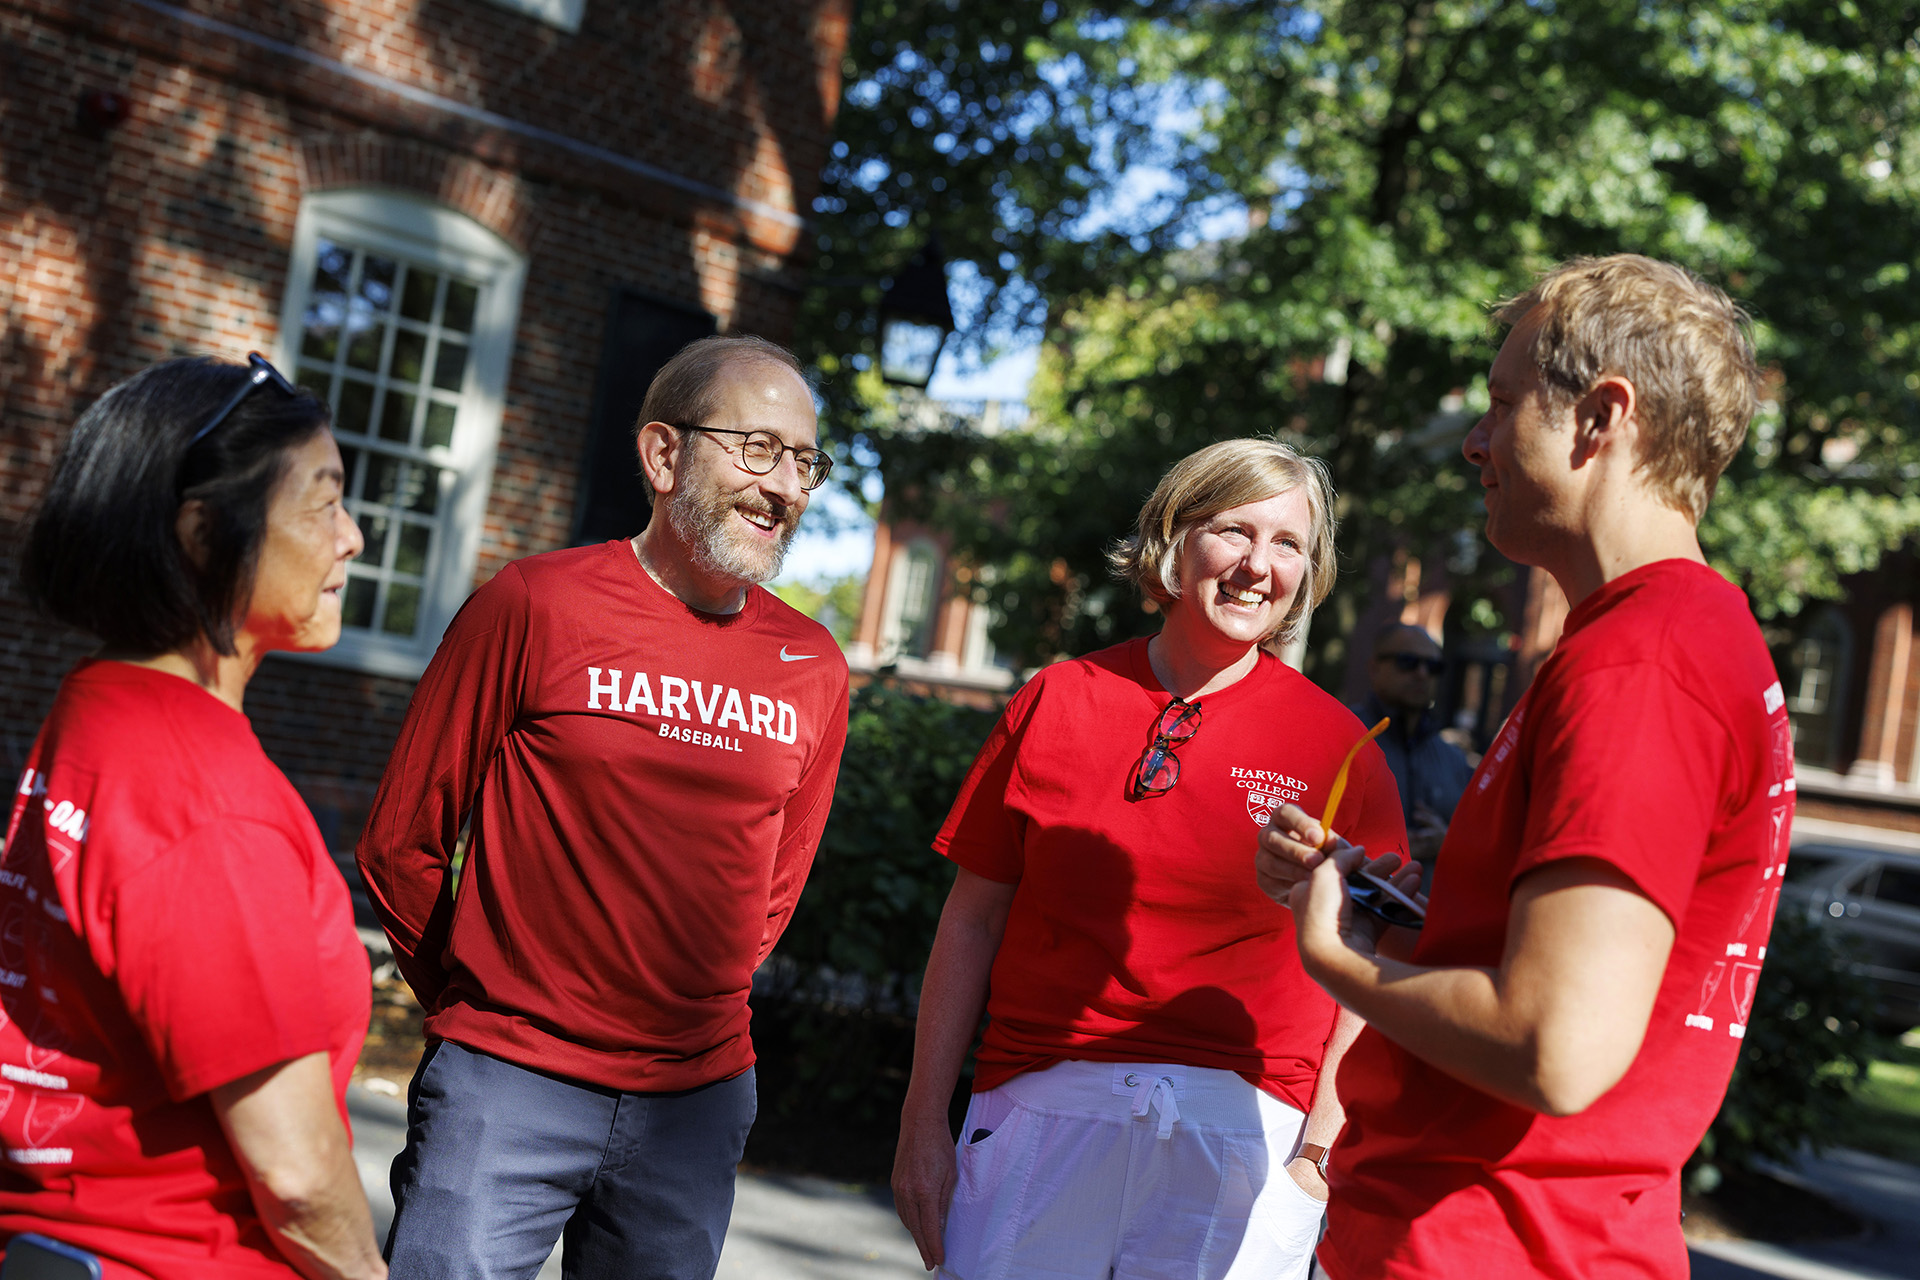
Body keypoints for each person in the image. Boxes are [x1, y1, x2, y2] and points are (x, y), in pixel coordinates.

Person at [1255, 254, 1791, 1280]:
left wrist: (1337, 957)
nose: (1473, 442)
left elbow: (1558, 1043)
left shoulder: (1643, 661)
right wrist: (1396, 912)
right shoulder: (1668, 636)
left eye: (1501, 406)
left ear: (1602, 417)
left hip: (1491, 1241)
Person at [357, 334, 850, 1280]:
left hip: (695, 1102)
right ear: (664, 454)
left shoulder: (816, 666)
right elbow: (401, 843)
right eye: (757, 448)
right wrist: (485, 1003)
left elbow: (775, 891)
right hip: (506, 1085)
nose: (785, 486)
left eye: (802, 461)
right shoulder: (533, 603)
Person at [892, 438, 1409, 1280]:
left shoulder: (1340, 745)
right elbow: (972, 917)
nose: (1257, 565)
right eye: (1235, 530)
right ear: (1174, 541)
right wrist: (922, 1124)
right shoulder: (1055, 699)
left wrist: (1319, 1152)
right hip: (1037, 1110)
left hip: (1245, 1135)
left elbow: (1370, 956)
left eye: (1288, 544)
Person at [0, 355, 383, 1278]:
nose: (354, 537)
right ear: (205, 536)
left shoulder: (99, 705)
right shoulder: (203, 799)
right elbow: (294, 1174)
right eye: (322, 503)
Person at [1354, 623, 1473, 887]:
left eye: (1433, 667)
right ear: (1375, 667)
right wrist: (1390, 848)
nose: (1422, 674)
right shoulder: (1342, 736)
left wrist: (1447, 842)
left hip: (1428, 921)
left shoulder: (1455, 759)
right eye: (1407, 662)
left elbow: (1482, 843)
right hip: (1349, 914)